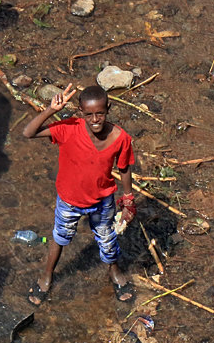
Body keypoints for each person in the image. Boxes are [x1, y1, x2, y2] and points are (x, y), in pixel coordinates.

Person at [22, 84, 137, 306]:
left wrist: (128, 199)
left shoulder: (121, 138)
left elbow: (124, 168)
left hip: (102, 201)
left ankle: (114, 271)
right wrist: (50, 111)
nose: (95, 119)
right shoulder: (69, 129)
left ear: (108, 109)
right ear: (80, 112)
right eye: (89, 114)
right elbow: (28, 133)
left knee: (107, 238)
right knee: (60, 236)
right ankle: (47, 274)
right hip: (69, 201)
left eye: (100, 113)